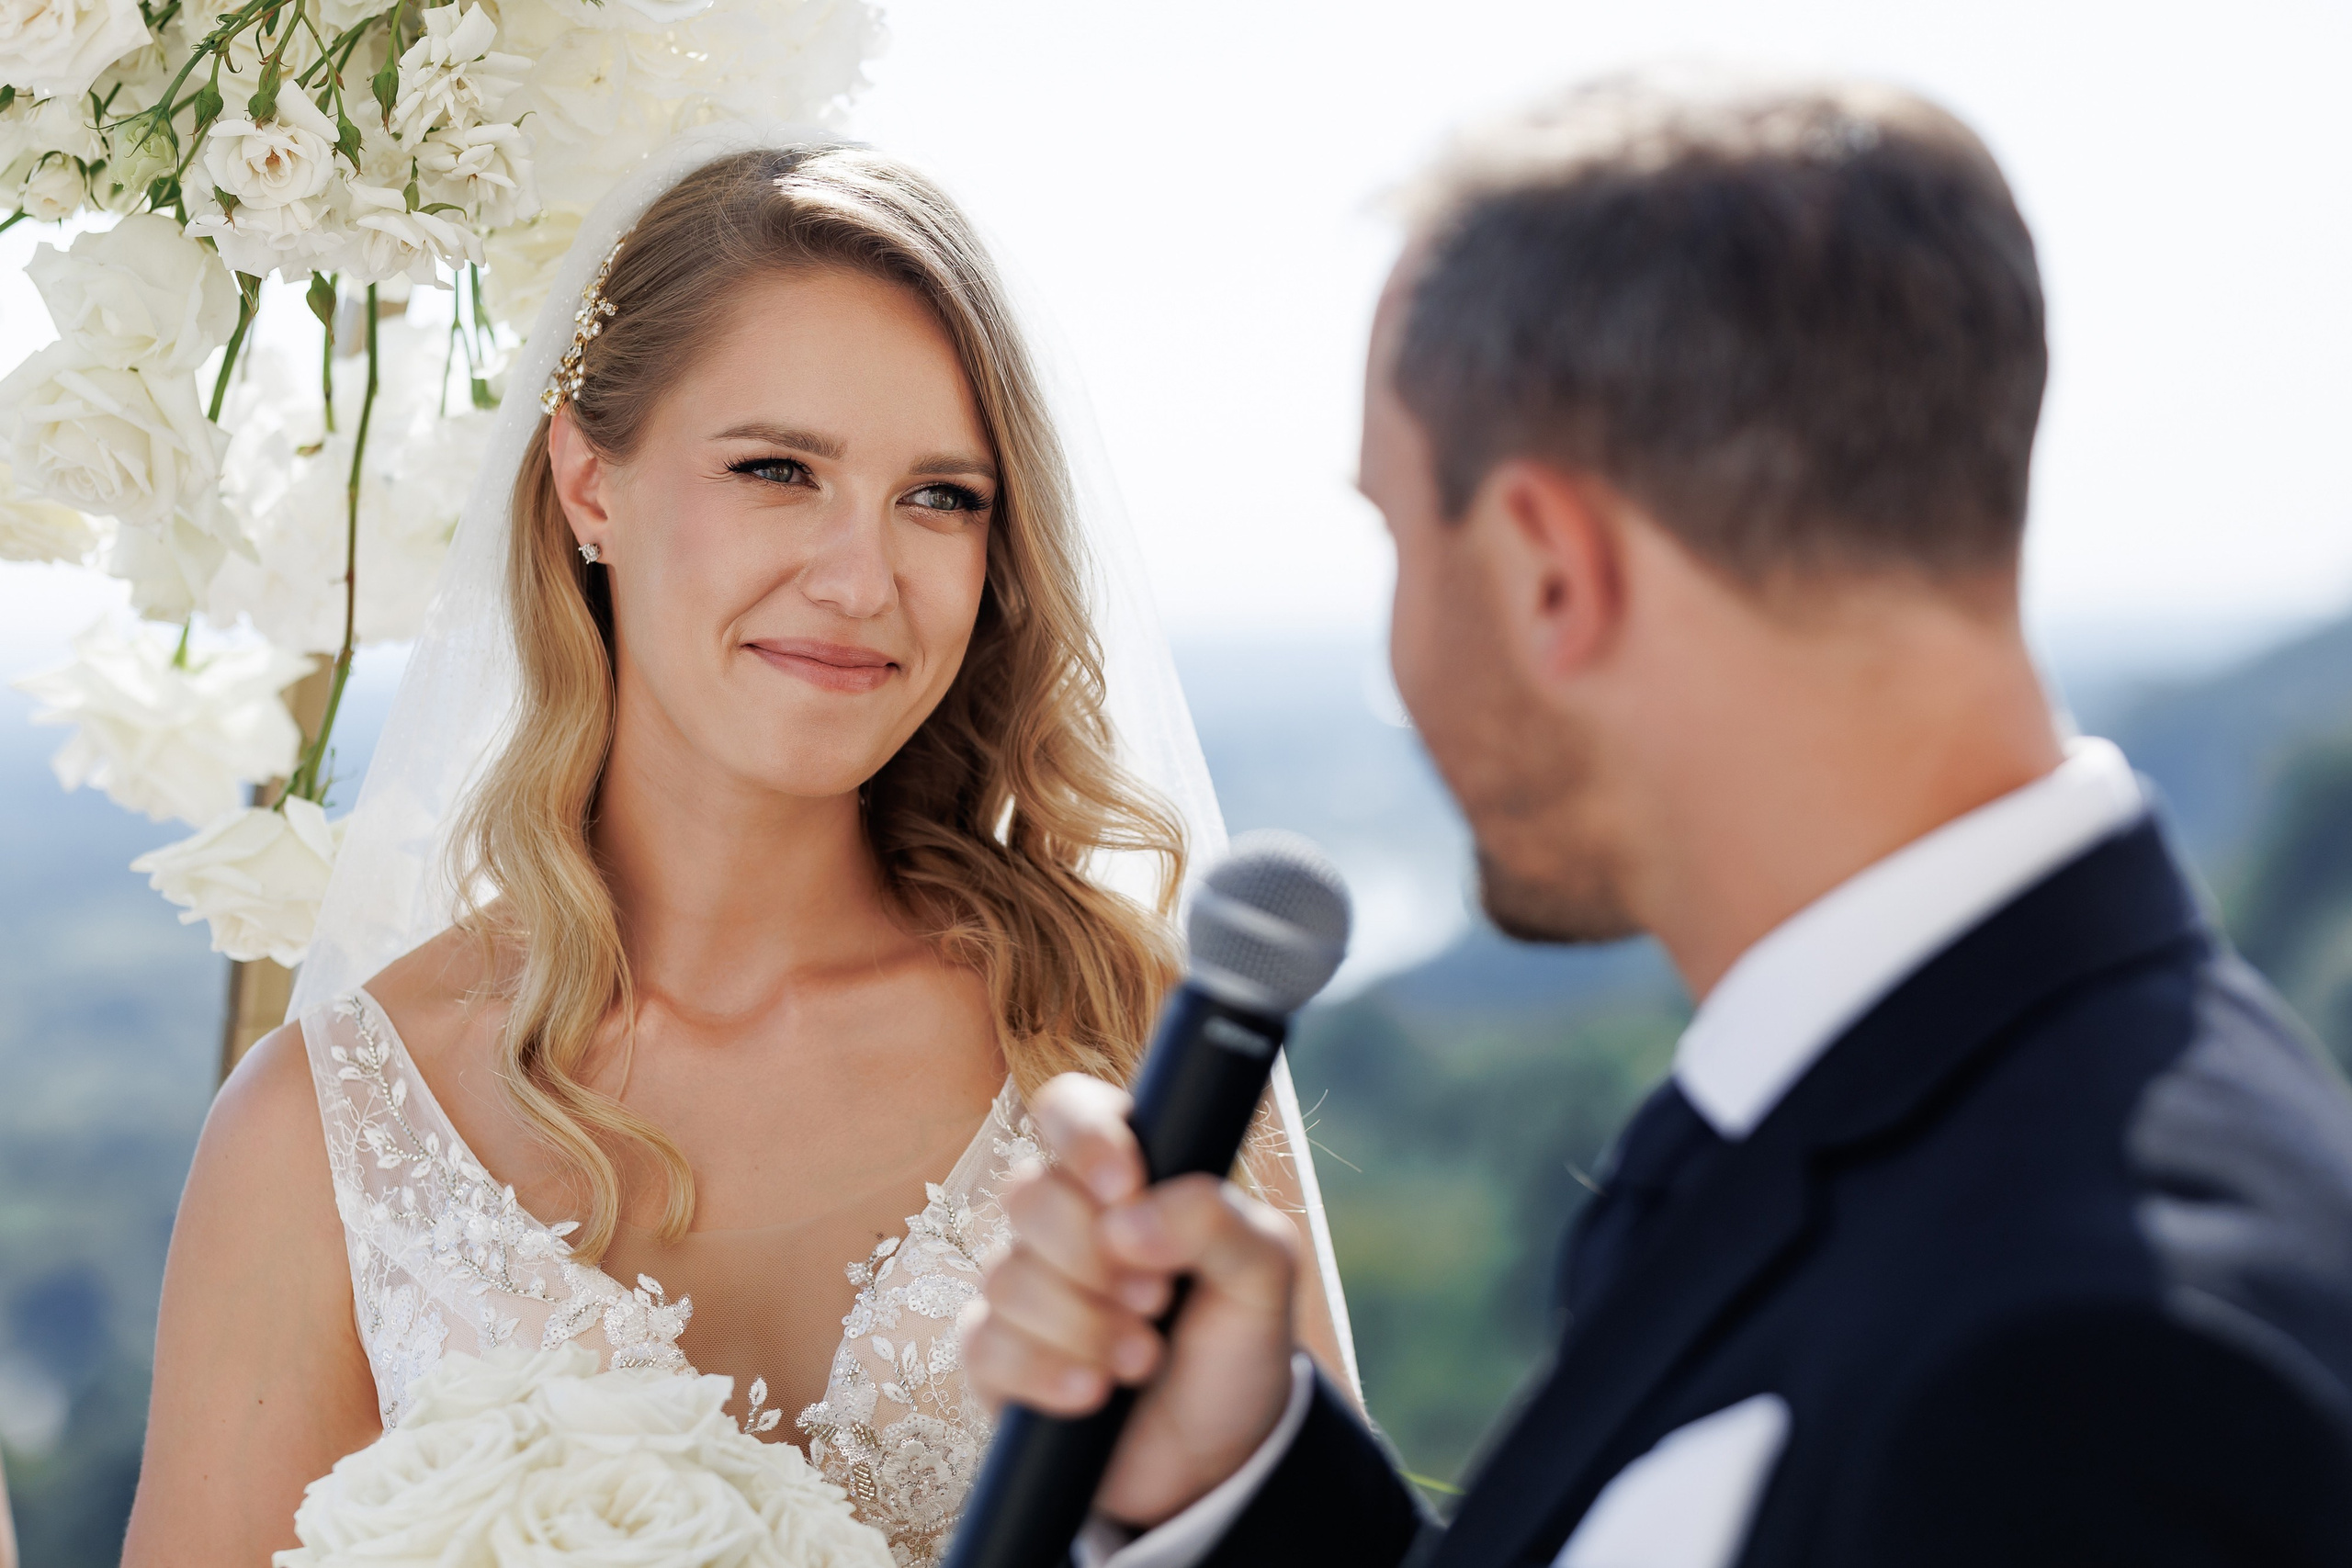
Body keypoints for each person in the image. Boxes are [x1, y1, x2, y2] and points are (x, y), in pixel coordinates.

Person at [963, 74, 2352, 1567]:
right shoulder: (1973, 1111)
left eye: (1394, 533)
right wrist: (1235, 1481)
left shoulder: (2084, 1392)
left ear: (1549, 568)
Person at [120, 134, 1355, 1568]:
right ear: (589, 484)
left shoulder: (1125, 1049)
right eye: (780, 469)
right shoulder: (324, 1137)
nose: (860, 579)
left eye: (941, 497)